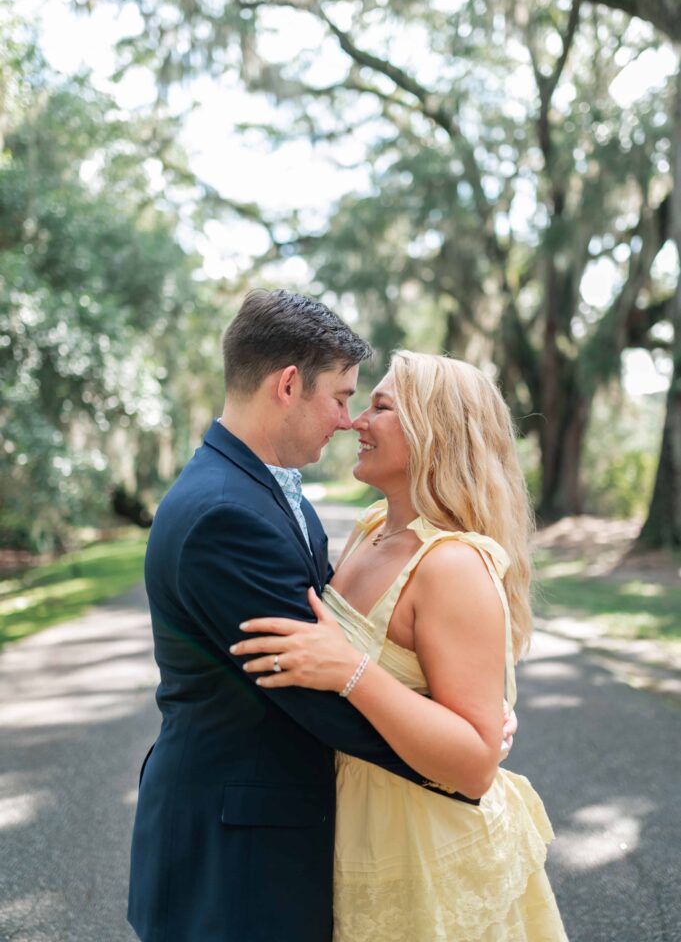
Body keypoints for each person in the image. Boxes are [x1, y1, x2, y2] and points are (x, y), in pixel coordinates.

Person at [127, 293, 514, 942]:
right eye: (341, 397)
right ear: (287, 385)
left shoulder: (276, 495)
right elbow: (314, 691)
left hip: (304, 833)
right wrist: (463, 752)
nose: (347, 420)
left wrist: (466, 715)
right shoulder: (225, 513)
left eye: (369, 405)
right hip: (234, 851)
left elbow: (345, 652)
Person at [233, 350, 568, 941]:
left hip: (425, 846)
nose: (356, 421)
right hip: (355, 828)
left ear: (434, 432)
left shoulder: (451, 565)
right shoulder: (369, 530)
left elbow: (475, 766)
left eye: (381, 408)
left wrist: (352, 672)